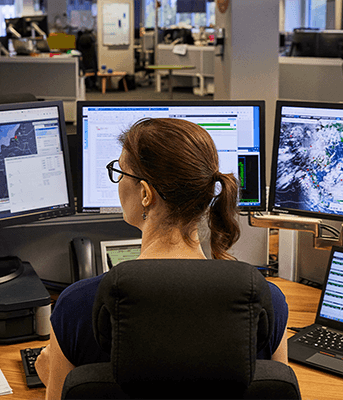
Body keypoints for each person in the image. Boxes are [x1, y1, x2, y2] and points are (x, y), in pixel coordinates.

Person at [34, 118, 289, 399]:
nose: (118, 181)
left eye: (120, 172)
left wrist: (53, 379)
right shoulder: (267, 302)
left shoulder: (77, 307)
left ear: (145, 193)